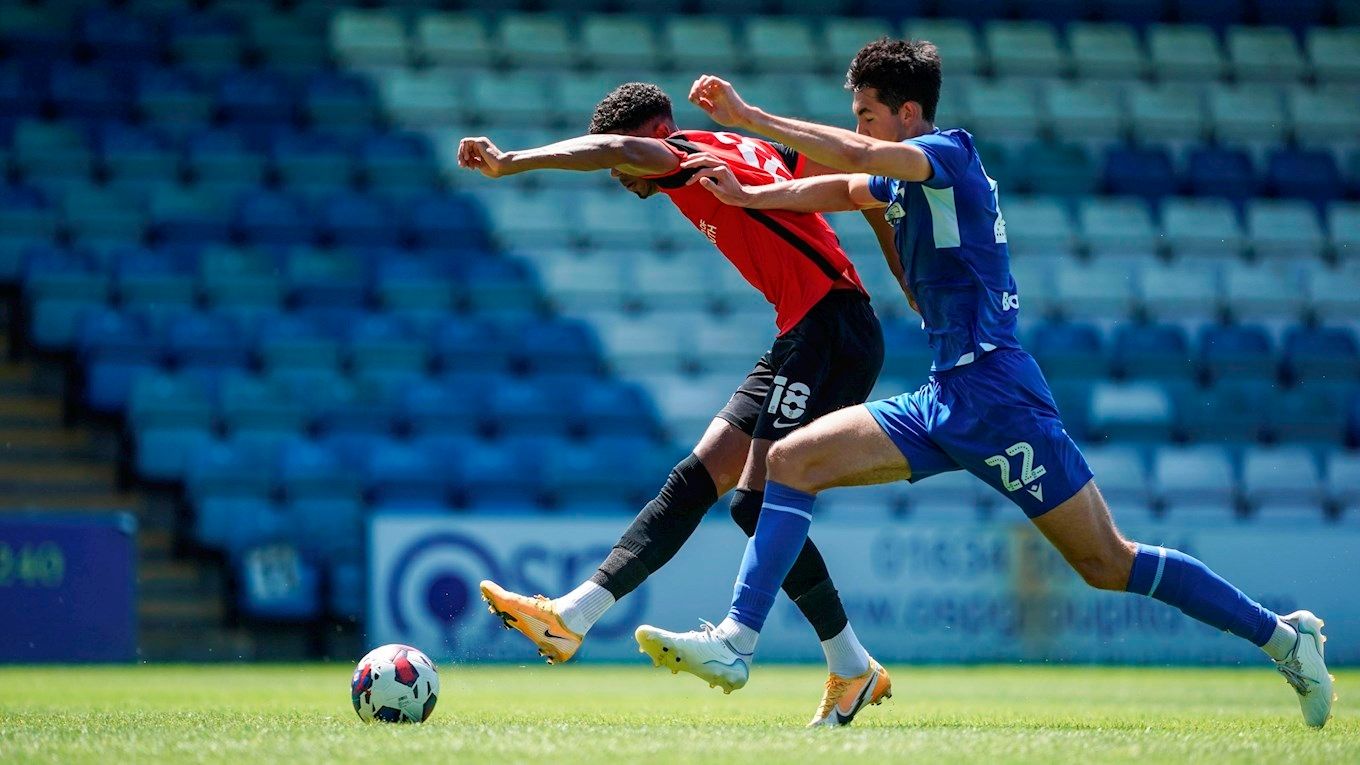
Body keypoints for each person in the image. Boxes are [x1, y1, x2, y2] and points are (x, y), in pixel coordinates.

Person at [634, 40, 1335, 729]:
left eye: (868, 114)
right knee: (790, 461)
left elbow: (855, 159)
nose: (859, 128)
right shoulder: (902, 176)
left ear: (909, 113)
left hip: (999, 398)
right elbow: (843, 186)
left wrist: (749, 118)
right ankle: (737, 641)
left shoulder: (947, 155)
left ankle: (1283, 639)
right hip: (943, 396)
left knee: (1106, 562)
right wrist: (751, 195)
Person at [457, 82, 893, 726]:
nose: (619, 175)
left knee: (754, 501)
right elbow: (845, 172)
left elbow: (618, 148)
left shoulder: (681, 153)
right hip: (801, 332)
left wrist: (513, 161)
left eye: (622, 158)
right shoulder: (742, 146)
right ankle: (571, 617)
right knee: (695, 480)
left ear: (654, 134)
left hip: (832, 331)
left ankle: (799, 656)